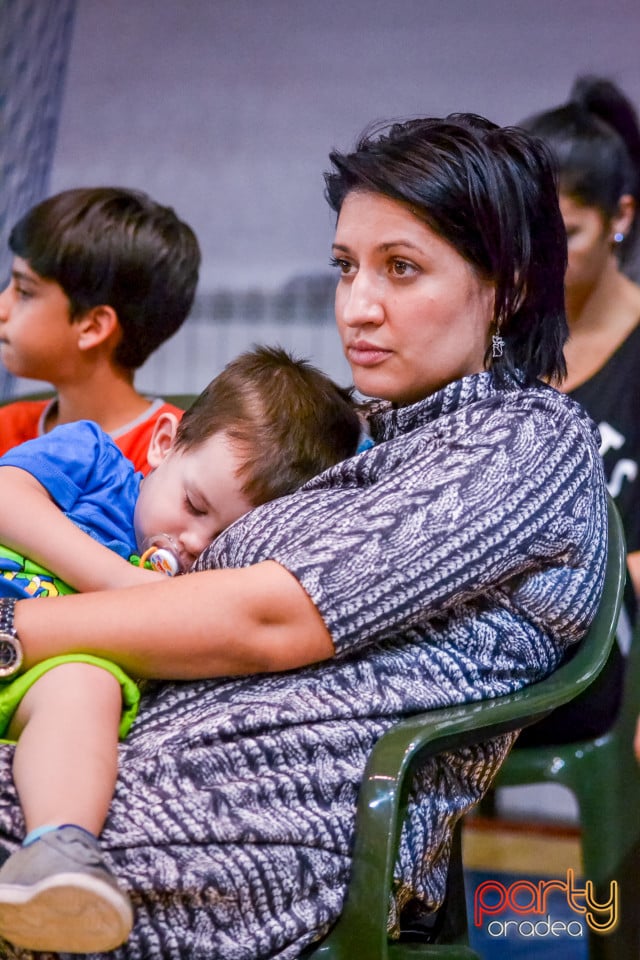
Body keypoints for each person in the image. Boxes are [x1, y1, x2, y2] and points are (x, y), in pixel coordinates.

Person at [0, 115, 607, 960]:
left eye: (402, 269)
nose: (357, 307)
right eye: (346, 267)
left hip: (241, 823)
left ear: (504, 286)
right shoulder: (365, 440)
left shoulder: (526, 440)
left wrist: (14, 636)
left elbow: (269, 619)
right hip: (110, 775)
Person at [0, 344, 362, 953]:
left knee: (84, 686)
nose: (192, 540)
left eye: (224, 537)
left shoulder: (203, 591)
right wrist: (117, 582)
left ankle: (57, 850)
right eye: (194, 504)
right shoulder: (93, 458)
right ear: (165, 443)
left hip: (42, 685)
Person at [510, 76, 640, 748]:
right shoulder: (505, 345)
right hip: (497, 636)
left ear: (621, 216)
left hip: (601, 657)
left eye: (568, 233)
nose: (544, 259)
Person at [0, 187, 201, 473]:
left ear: (93, 327)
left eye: (24, 292)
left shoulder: (177, 453)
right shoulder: (6, 426)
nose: (2, 307)